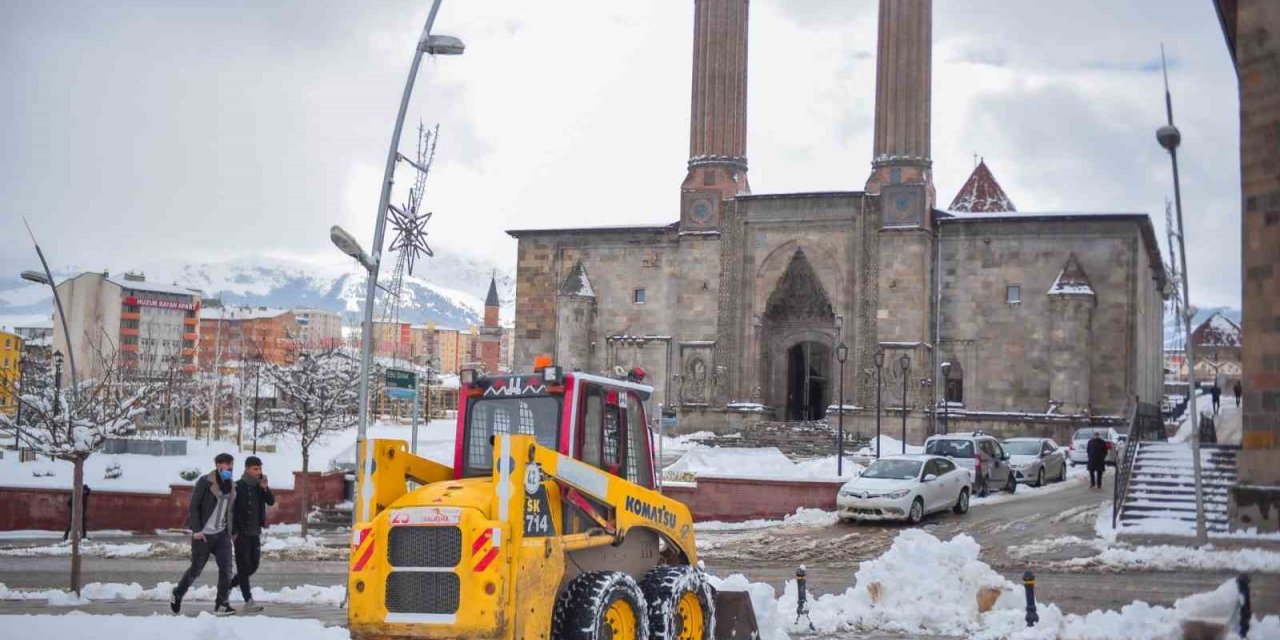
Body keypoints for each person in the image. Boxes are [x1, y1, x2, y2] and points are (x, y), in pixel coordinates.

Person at [170, 453, 237, 616]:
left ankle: (221, 603)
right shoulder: (205, 482)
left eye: (231, 465)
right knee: (196, 570)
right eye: (227, 465)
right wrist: (197, 530)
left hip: (221, 535)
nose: (230, 468)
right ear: (218, 465)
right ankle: (177, 593)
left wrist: (232, 531)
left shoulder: (232, 486)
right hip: (204, 535)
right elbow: (194, 507)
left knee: (227, 569)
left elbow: (231, 510)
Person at [229, 455, 274, 613]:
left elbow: (271, 501)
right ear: (247, 469)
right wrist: (233, 531)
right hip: (241, 533)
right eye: (255, 468)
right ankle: (248, 600)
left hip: (255, 531)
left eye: (260, 468)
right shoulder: (237, 486)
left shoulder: (260, 486)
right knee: (243, 566)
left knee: (253, 565)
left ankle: (228, 585)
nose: (258, 471)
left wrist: (265, 488)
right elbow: (230, 510)